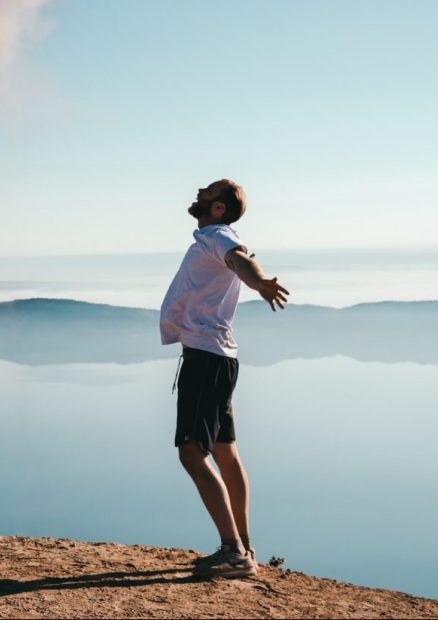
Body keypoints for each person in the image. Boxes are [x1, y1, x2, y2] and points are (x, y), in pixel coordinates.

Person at [159, 178, 290, 578]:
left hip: (205, 357)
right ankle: (243, 546)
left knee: (191, 452)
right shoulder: (213, 237)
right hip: (216, 356)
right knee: (223, 449)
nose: (199, 191)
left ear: (218, 208)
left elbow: (240, 260)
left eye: (208, 191)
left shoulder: (218, 236)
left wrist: (259, 282)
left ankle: (234, 554)